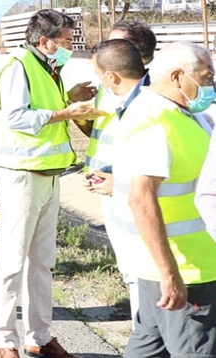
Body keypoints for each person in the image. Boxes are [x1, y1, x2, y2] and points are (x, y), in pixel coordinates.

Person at [0, 9, 102, 358]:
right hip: (21, 175)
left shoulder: (49, 68)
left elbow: (42, 109)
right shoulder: (18, 66)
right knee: (12, 261)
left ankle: (39, 336)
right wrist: (67, 113)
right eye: (65, 41)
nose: (69, 46)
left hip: (48, 176)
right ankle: (5, 341)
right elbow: (18, 117)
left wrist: (68, 99)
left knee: (42, 261)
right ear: (44, 40)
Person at [111, 42, 216, 357]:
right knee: (195, 350)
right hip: (184, 270)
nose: (210, 85)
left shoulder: (182, 113)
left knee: (148, 349)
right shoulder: (154, 121)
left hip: (173, 266)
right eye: (206, 77)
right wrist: (170, 274)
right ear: (176, 76)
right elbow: (142, 201)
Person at [81, 39, 147, 319]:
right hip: (114, 188)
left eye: (99, 75)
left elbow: (153, 164)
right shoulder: (132, 101)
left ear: (111, 76)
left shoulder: (146, 106)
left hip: (132, 198)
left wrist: (117, 183)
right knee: (135, 273)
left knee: (139, 273)